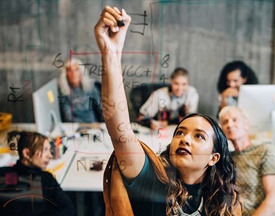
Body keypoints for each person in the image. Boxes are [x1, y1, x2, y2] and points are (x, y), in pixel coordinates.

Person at [95, 6, 241, 216]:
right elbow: (120, 132)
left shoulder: (223, 200)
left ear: (214, 158)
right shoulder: (152, 179)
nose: (184, 139)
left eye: (198, 136)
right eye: (180, 132)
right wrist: (111, 53)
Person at [219, 106, 275, 216]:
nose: (229, 125)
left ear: (246, 125)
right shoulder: (227, 158)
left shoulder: (265, 151)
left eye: (235, 120)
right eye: (225, 122)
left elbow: (273, 202)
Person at [5, 130, 75, 216]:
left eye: (49, 150)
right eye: (45, 150)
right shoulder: (45, 179)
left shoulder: (6, 176)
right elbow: (69, 210)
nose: (50, 155)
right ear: (27, 153)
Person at [58, 58, 103, 123]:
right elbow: (67, 117)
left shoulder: (91, 87)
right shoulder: (63, 92)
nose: (73, 73)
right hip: (74, 127)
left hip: (93, 125)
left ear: (81, 71)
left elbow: (101, 110)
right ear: (65, 74)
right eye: (70, 71)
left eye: (76, 70)